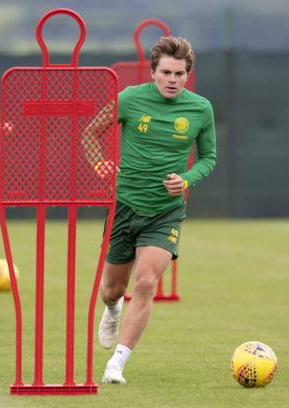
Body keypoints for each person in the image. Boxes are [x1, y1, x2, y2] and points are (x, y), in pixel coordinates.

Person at [97, 36, 217, 383]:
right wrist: (100, 165)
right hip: (123, 206)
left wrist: (187, 179)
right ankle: (112, 309)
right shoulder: (130, 99)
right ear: (153, 72)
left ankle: (117, 363)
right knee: (112, 290)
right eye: (166, 72)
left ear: (187, 75)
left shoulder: (200, 109)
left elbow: (209, 157)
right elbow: (91, 132)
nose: (172, 79)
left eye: (179, 74)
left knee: (147, 282)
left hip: (166, 212)